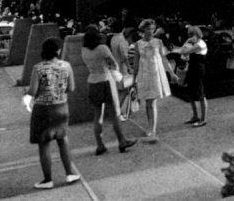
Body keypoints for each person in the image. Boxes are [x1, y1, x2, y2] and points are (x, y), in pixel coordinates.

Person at [25, 37, 79, 189]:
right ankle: (70, 174)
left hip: (43, 108)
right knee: (63, 140)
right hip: (61, 107)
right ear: (58, 51)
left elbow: (33, 91)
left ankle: (47, 180)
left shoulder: (38, 68)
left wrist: (26, 92)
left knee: (44, 144)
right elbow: (71, 88)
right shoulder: (66, 66)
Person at [81, 26, 137, 155]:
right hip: (106, 80)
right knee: (115, 113)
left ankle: (100, 145)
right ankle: (121, 141)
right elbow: (114, 63)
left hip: (92, 81)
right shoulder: (102, 48)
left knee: (97, 115)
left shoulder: (84, 50)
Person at [134, 18, 178, 139]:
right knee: (147, 102)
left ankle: (152, 129)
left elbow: (164, 59)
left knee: (152, 101)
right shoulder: (138, 44)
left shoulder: (158, 42)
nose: (151, 31)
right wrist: (134, 79)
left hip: (155, 74)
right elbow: (136, 62)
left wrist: (172, 73)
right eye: (148, 29)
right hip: (144, 74)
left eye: (152, 29)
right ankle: (150, 126)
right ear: (143, 30)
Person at [181, 26, 208, 127]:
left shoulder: (200, 44)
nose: (190, 37)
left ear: (197, 35)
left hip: (198, 69)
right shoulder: (195, 44)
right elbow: (183, 53)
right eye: (189, 35)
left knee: (200, 93)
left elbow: (183, 51)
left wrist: (187, 42)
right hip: (192, 68)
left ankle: (203, 119)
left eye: (191, 35)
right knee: (191, 92)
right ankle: (195, 115)